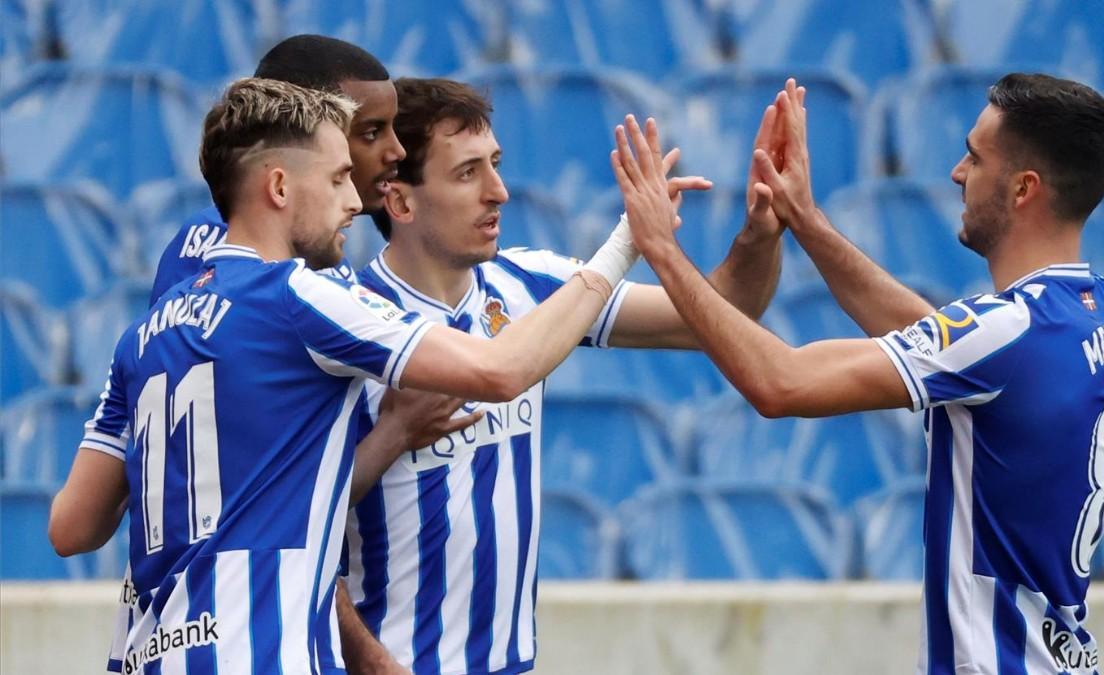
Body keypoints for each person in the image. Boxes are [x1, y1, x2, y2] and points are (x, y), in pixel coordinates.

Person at [48, 77, 645, 674]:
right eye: (337, 179)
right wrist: (623, 245)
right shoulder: (299, 297)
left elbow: (71, 529)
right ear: (279, 186)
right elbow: (500, 369)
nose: (357, 202)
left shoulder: (144, 334)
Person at [615, 74, 1104, 674]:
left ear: (1023, 189)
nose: (958, 173)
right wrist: (805, 220)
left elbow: (780, 382)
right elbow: (947, 344)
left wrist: (662, 250)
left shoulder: (1005, 331)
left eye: (975, 156)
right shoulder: (1101, 315)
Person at [339, 77, 787, 675]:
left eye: (495, 165)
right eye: (468, 173)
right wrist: (368, 660)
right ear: (399, 202)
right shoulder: (342, 323)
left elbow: (722, 312)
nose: (498, 192)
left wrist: (761, 233)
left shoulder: (533, 284)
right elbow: (292, 524)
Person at [150, 33, 406, 301]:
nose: (397, 151)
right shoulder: (223, 240)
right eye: (372, 133)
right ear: (303, 130)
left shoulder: (313, 244)